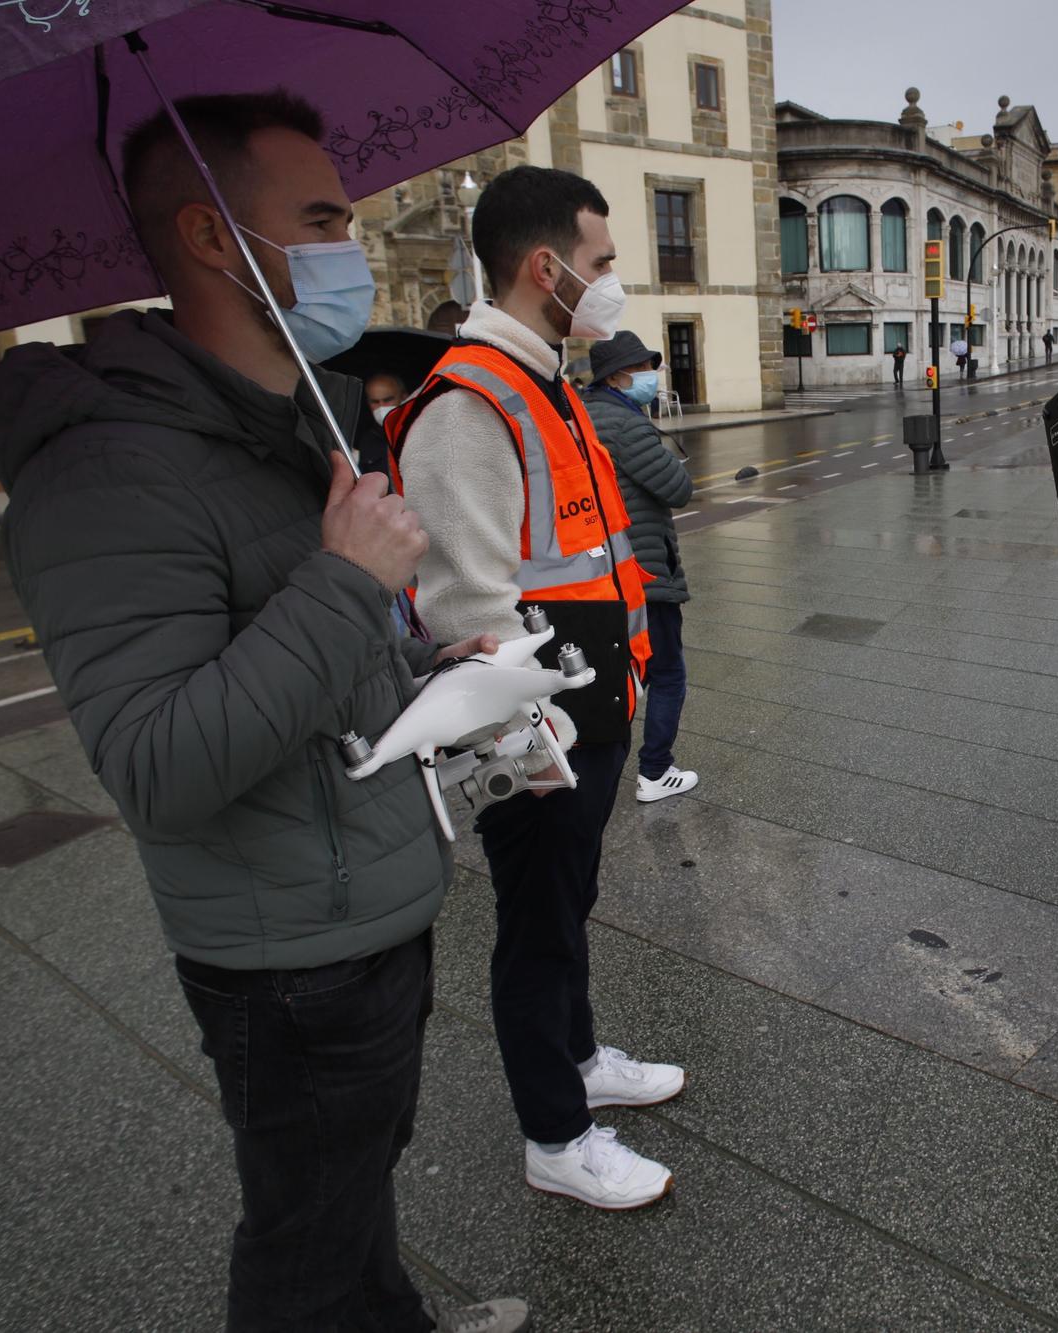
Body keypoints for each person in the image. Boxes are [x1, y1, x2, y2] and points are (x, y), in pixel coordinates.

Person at [0, 91, 526, 1333]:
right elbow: (157, 764)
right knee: (304, 1236)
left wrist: (439, 657)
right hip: (291, 952)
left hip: (364, 897)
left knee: (355, 1187)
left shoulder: (286, 423)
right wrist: (346, 581)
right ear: (215, 238)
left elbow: (310, 658)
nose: (356, 241)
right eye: (326, 218)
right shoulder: (109, 469)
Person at [389, 165, 682, 1211]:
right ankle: (554, 1135)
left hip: (586, 711)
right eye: (600, 264)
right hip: (539, 732)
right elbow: (470, 606)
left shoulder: (542, 379)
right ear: (543, 267)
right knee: (538, 921)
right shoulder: (470, 401)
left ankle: (578, 1054)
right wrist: (534, 754)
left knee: (568, 905)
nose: (611, 285)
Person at [580, 330, 700, 804]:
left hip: (597, 572)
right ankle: (655, 771)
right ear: (618, 376)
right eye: (644, 368)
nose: (652, 376)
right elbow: (677, 487)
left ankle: (590, 770)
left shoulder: (581, 414)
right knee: (666, 672)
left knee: (612, 674)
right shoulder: (626, 425)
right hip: (643, 572)